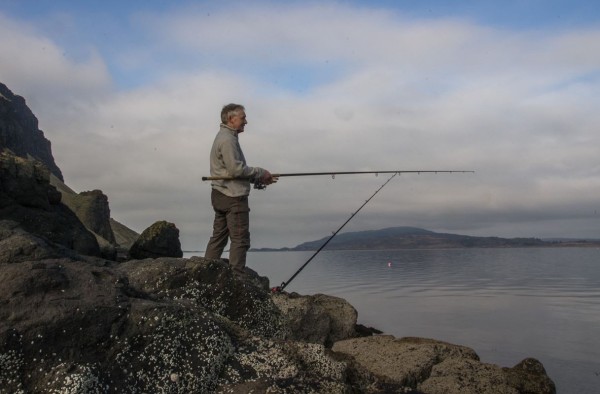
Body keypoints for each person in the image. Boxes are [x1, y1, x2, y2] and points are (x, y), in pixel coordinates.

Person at [204, 103, 276, 275]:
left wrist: (258, 179)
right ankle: (237, 279)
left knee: (218, 238)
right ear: (231, 119)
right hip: (233, 197)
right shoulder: (228, 140)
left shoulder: (223, 136)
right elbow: (236, 170)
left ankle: (204, 273)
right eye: (243, 118)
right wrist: (260, 172)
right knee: (240, 239)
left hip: (220, 194)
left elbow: (231, 171)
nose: (246, 121)